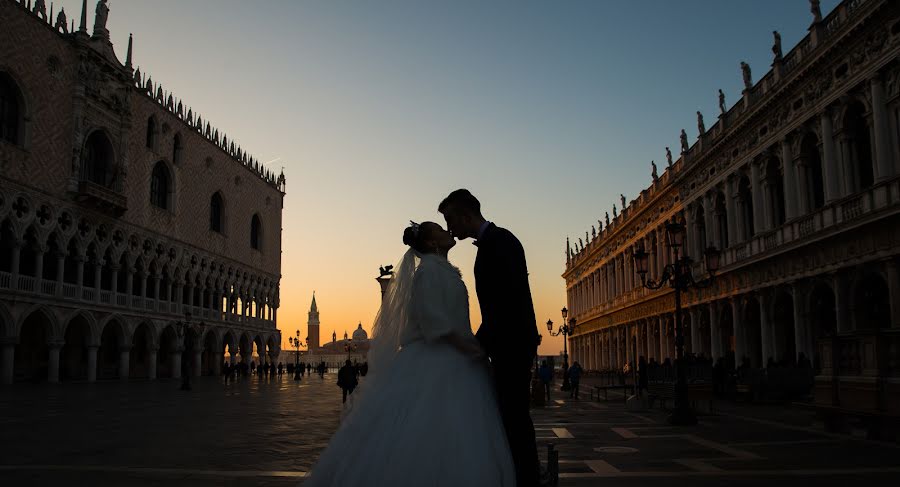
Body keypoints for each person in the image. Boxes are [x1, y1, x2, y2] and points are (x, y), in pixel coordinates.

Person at [303, 222, 514, 487]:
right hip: (440, 363)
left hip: (454, 361)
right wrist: (472, 348)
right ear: (432, 243)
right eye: (440, 229)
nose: (448, 230)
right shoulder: (428, 273)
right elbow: (433, 323)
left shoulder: (442, 271)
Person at [440, 189, 540, 487]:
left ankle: (526, 478)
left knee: (515, 417)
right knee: (512, 416)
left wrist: (477, 345)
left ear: (464, 215)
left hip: (512, 344)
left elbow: (505, 303)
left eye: (450, 220)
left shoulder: (500, 243)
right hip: (508, 343)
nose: (449, 228)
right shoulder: (496, 242)